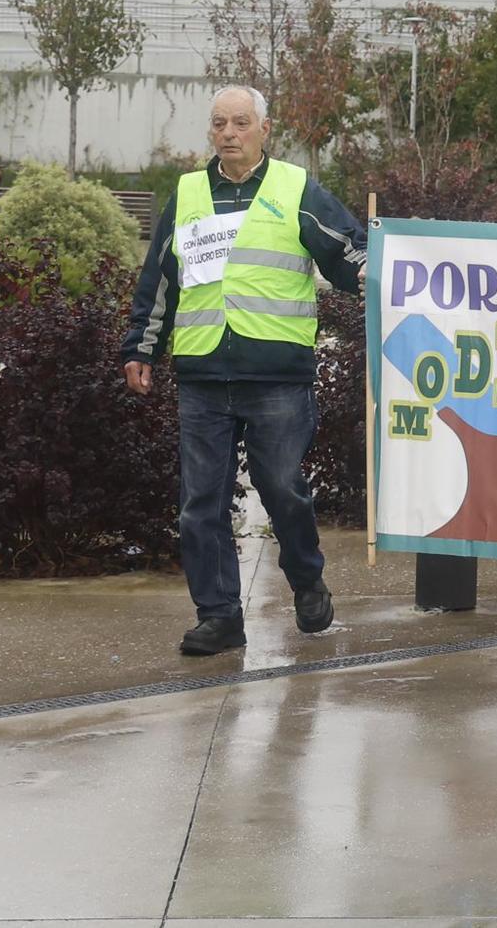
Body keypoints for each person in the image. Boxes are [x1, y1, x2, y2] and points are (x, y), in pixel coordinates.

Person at [120, 86, 366, 656]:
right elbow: (160, 280)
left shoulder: (295, 188)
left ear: (264, 128)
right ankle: (219, 616)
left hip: (276, 373)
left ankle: (306, 579)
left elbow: (347, 251)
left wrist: (389, 274)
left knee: (283, 490)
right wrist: (142, 347)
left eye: (239, 123)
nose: (228, 133)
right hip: (204, 373)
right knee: (200, 504)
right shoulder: (186, 195)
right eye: (218, 124)